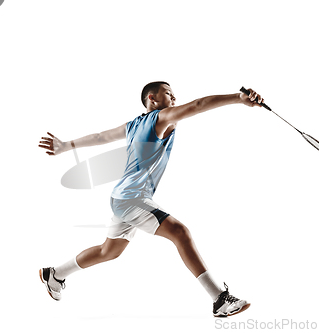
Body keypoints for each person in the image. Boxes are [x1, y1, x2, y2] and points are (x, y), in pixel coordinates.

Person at [38, 82, 264, 317]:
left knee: (109, 251)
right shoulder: (160, 118)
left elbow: (100, 137)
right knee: (180, 232)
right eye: (169, 93)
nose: (175, 97)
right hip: (131, 198)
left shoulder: (134, 124)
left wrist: (66, 146)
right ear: (152, 99)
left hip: (122, 197)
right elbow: (197, 105)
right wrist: (238, 98)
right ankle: (219, 299)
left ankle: (55, 274)